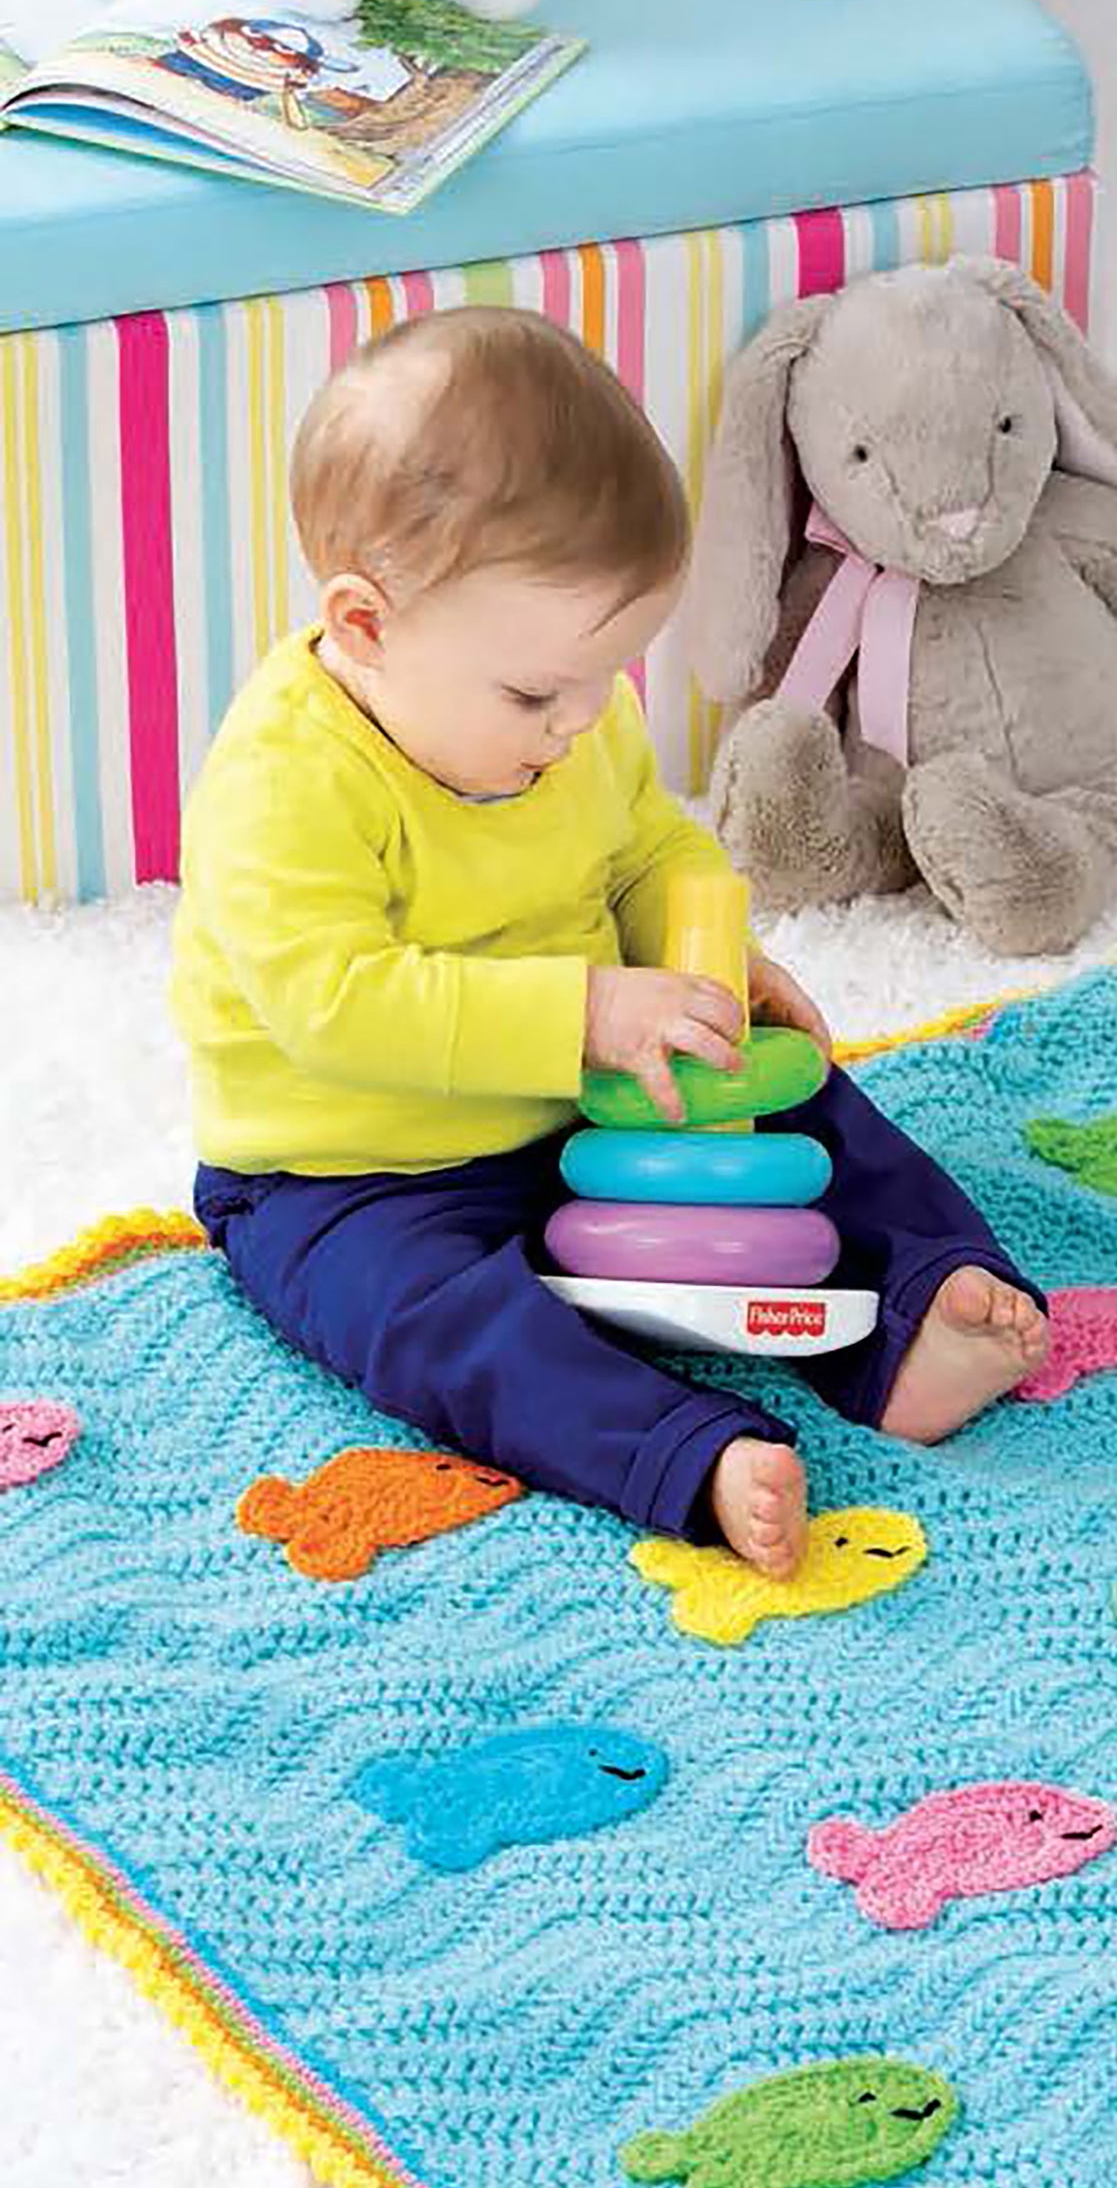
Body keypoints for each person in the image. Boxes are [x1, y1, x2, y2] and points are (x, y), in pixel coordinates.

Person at [171, 307, 1046, 1580]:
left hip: (579, 1102)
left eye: (608, 677)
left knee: (816, 1119)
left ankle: (917, 1314)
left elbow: (643, 846)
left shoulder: (574, 715)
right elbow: (335, 1006)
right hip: (348, 1174)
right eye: (536, 695)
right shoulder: (282, 782)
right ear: (364, 626)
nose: (581, 722)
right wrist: (585, 1010)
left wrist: (706, 963)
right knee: (440, 1333)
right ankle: (686, 1454)